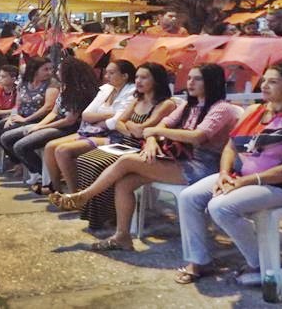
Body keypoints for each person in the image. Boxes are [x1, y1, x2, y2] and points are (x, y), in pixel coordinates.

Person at [52, 64, 240, 254]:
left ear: (212, 82)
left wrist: (154, 132)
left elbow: (197, 137)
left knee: (127, 161)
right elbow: (157, 127)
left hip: (202, 166)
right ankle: (122, 237)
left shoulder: (221, 108)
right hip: (179, 158)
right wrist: (151, 140)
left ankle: (84, 196)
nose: (190, 82)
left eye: (197, 79)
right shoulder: (187, 105)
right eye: (189, 78)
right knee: (124, 183)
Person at [175, 63, 282, 286]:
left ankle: (262, 263)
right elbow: (230, 147)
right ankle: (200, 260)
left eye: (273, 82)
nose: (264, 85)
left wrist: (247, 181)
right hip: (242, 178)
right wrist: (224, 174)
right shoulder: (254, 111)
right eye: (264, 80)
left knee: (220, 207)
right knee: (189, 197)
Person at [54, 63, 177, 230]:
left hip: (142, 147)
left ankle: (105, 213)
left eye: (144, 77)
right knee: (86, 160)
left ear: (156, 80)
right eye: (137, 77)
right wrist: (131, 128)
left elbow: (143, 130)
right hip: (125, 143)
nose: (138, 81)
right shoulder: (137, 99)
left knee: (99, 164)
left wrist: (129, 126)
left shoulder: (166, 104)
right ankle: (91, 209)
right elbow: (119, 122)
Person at [42, 60, 137, 194]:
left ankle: (75, 194)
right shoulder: (106, 89)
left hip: (113, 135)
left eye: (111, 73)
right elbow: (86, 114)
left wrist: (101, 119)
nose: (106, 76)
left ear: (125, 76)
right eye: (106, 73)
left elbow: (117, 120)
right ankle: (56, 190)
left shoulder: (132, 92)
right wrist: (107, 116)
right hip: (91, 130)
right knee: (50, 147)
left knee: (62, 151)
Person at [6, 57, 100, 190]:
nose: (55, 73)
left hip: (68, 128)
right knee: (9, 137)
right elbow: (54, 112)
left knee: (21, 146)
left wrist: (43, 127)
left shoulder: (80, 91)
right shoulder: (64, 88)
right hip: (56, 123)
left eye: (59, 70)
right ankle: (43, 175)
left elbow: (69, 120)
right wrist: (38, 126)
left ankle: (47, 178)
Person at [0, 56, 60, 176]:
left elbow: (48, 107)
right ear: (35, 70)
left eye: (51, 69)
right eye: (45, 69)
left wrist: (26, 119)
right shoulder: (24, 82)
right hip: (21, 116)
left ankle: (37, 171)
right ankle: (19, 163)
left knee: (5, 136)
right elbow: (17, 104)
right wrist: (11, 117)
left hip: (39, 119)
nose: (50, 72)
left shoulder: (52, 84)